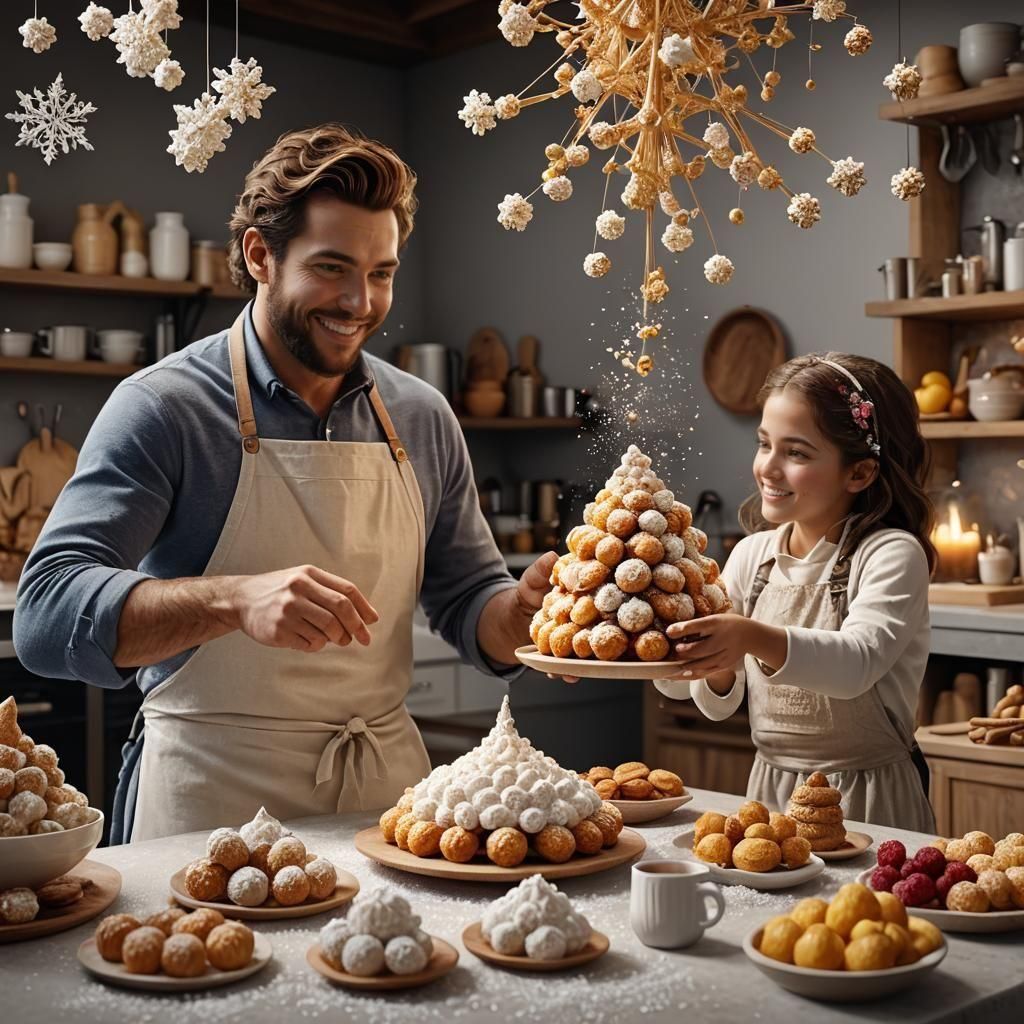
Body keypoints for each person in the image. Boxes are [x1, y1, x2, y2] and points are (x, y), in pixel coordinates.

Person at [13, 124, 556, 843]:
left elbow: (467, 599)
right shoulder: (165, 407)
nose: (361, 301)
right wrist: (232, 598)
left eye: (382, 272)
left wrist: (521, 615)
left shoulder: (420, 417)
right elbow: (45, 614)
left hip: (382, 807)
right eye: (332, 268)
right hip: (208, 811)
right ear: (261, 254)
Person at [655, 353, 936, 831]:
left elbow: (855, 663)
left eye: (797, 453)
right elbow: (713, 700)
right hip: (772, 795)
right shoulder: (752, 555)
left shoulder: (891, 554)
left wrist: (747, 637)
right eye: (765, 444)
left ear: (860, 473)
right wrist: (699, 660)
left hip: (869, 798)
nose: (768, 467)